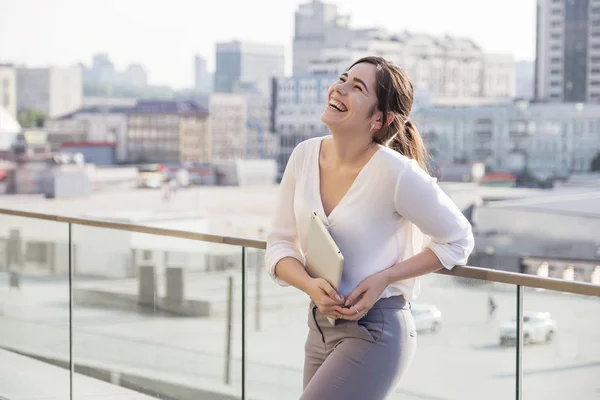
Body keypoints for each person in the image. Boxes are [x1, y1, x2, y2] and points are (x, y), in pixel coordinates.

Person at [265, 56, 474, 400]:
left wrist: (385, 278)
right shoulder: (303, 155)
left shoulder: (396, 172)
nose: (339, 88)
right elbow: (279, 246)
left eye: (357, 87)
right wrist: (310, 286)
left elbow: (458, 240)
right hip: (318, 326)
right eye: (343, 79)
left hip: (375, 330)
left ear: (380, 119)